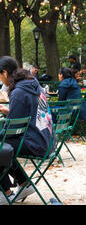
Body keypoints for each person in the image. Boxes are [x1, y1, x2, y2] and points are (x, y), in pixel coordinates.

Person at [0, 56, 54, 204]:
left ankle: (5, 192)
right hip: (46, 140)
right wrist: (8, 111)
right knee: (5, 147)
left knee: (1, 147)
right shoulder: (32, 83)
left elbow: (12, 128)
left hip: (35, 142)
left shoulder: (18, 92)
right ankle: (24, 184)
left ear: (4, 73)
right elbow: (27, 114)